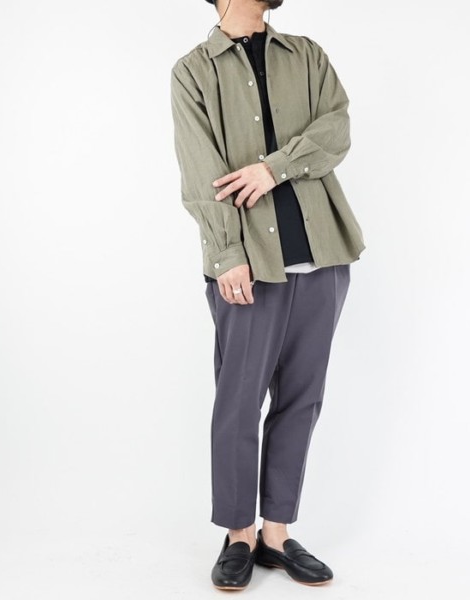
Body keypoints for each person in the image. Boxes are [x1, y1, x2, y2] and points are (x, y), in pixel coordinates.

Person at [170, 0, 366, 590]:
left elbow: (336, 129)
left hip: (323, 254)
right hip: (248, 264)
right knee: (239, 401)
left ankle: (276, 534)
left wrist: (273, 168)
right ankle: (238, 534)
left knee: (301, 399)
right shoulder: (194, 70)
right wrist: (227, 253)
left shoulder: (306, 55)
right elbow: (199, 172)